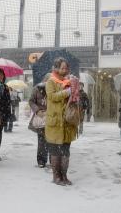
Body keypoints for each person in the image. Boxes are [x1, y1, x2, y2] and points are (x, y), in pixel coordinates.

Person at [45, 57, 78, 186]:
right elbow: (52, 96)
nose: (65, 70)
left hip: (67, 122)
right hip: (55, 121)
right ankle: (56, 177)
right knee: (55, 151)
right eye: (62, 68)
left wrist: (74, 90)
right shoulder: (51, 81)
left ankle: (64, 176)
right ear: (56, 68)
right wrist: (66, 92)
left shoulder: (69, 81)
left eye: (66, 68)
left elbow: (75, 99)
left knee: (65, 151)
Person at [29, 82, 48, 168]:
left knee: (52, 140)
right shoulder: (36, 89)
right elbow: (31, 101)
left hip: (51, 117)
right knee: (41, 140)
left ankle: (52, 159)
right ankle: (41, 160)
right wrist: (37, 110)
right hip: (40, 118)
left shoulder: (54, 87)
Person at [0, 68, 11, 160]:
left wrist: (8, 115)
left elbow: (8, 102)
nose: (0, 76)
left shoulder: (5, 87)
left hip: (2, 114)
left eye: (2, 75)